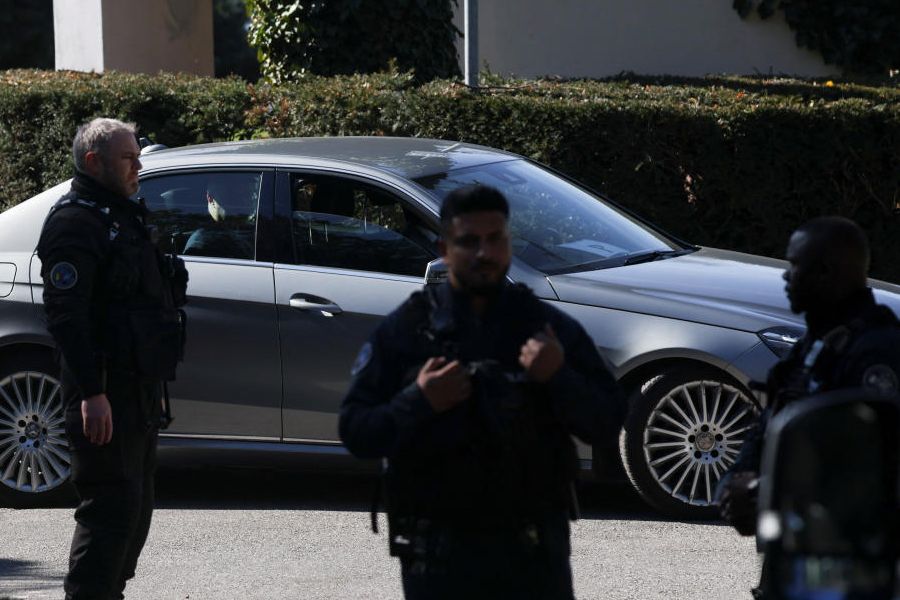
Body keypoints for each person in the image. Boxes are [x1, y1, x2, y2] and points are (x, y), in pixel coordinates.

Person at [339, 184, 625, 600]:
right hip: (439, 556)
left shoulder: (546, 329)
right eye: (469, 242)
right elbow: (355, 430)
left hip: (531, 553)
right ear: (444, 247)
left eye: (495, 240)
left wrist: (558, 375)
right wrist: (417, 401)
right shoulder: (407, 331)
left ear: (509, 241)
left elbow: (607, 421)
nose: (483, 254)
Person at [37, 118, 188, 599]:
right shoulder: (74, 223)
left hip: (137, 392)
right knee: (108, 515)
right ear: (93, 162)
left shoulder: (120, 215)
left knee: (133, 517)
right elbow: (66, 317)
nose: (138, 166)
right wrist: (92, 392)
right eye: (128, 158)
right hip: (104, 393)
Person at [717, 216, 900, 599]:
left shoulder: (877, 352)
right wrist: (737, 487)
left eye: (794, 265)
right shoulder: (814, 345)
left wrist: (772, 490)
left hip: (853, 565)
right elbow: (772, 424)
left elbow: (873, 466)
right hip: (799, 556)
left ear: (825, 273)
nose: (787, 277)